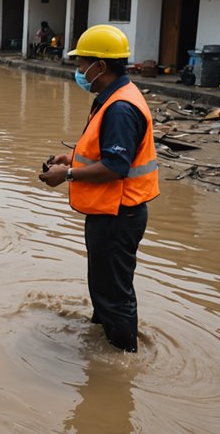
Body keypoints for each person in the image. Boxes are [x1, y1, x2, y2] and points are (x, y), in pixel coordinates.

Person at [38, 24, 160, 352]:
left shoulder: (120, 108)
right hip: (110, 211)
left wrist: (68, 174)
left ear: (100, 67)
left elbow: (116, 167)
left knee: (115, 295)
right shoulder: (112, 97)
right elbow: (106, 152)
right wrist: (71, 157)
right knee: (104, 287)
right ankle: (101, 340)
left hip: (118, 214)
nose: (78, 71)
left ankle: (121, 363)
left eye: (82, 64)